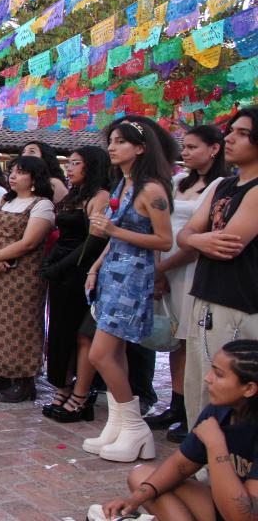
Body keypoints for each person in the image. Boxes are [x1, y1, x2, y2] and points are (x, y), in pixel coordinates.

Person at [82, 116, 174, 463]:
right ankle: (120, 426)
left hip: (134, 279)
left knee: (99, 354)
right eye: (112, 140)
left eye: (121, 141)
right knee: (113, 353)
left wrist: (113, 232)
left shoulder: (152, 189)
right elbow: (112, 233)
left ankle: (135, 428)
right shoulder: (123, 184)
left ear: (140, 148)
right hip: (113, 274)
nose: (112, 146)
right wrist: (96, 265)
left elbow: (164, 240)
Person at [102, 339, 258, 521]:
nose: (208, 378)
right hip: (227, 504)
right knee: (141, 476)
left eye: (219, 374)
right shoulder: (219, 411)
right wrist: (134, 500)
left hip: (244, 513)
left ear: (249, 388)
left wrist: (216, 446)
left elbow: (246, 516)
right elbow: (180, 466)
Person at [148, 125, 230, 442]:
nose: (187, 152)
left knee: (190, 340)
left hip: (191, 267)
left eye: (194, 147)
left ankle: (192, 410)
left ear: (214, 149)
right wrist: (158, 267)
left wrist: (166, 266)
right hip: (165, 266)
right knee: (174, 339)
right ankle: (176, 404)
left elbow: (197, 237)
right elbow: (161, 225)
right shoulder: (177, 181)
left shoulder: (221, 187)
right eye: (185, 146)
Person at [179, 108, 258, 427]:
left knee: (229, 393)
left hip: (237, 301)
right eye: (231, 130)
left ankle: (224, 464)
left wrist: (196, 239)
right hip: (205, 294)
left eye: (241, 132)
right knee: (200, 384)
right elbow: (187, 234)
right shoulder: (223, 185)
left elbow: (228, 245)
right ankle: (203, 460)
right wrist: (198, 240)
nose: (229, 138)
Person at [41, 146, 111, 423]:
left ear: (92, 166)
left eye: (76, 163)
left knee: (78, 333)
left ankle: (81, 394)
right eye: (68, 163)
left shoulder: (101, 196)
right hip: (60, 269)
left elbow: (93, 242)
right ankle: (63, 386)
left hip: (81, 271)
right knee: (59, 331)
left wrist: (60, 265)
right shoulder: (74, 195)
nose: (69, 168)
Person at [0, 156, 56, 401]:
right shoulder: (4, 200)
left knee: (21, 325)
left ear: (35, 178)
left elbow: (29, 242)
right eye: (11, 171)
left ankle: (24, 381)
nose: (12, 176)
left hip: (24, 276)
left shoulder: (41, 205)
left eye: (20, 172)